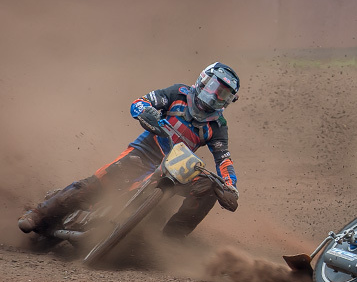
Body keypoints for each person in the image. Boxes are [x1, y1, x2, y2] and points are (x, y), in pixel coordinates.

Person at [18, 63, 241, 239]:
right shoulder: (177, 93)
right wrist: (146, 111)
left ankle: (172, 241)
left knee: (209, 187)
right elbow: (140, 101)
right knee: (99, 182)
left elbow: (224, 159)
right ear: (203, 80)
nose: (214, 96)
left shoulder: (217, 126)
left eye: (223, 94)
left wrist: (230, 187)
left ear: (229, 101)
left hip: (176, 169)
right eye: (214, 88)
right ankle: (39, 214)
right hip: (144, 152)